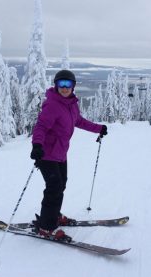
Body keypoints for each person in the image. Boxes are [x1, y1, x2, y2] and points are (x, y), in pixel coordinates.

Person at [30, 69, 108, 240]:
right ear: (56, 85)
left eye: (68, 84)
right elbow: (41, 127)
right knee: (54, 188)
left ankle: (53, 215)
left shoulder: (71, 104)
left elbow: (78, 121)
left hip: (60, 153)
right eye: (61, 84)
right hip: (46, 154)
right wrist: (37, 145)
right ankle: (46, 227)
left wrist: (98, 128)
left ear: (73, 86)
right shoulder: (52, 105)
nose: (64, 88)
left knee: (61, 185)